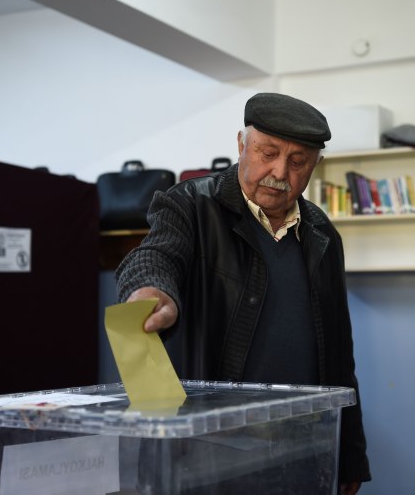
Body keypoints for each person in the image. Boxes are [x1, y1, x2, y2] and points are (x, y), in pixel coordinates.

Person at [115, 92, 371, 494]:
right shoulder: (190, 205)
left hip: (304, 447)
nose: (280, 172)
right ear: (240, 144)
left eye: (298, 161)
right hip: (209, 450)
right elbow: (153, 255)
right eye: (267, 153)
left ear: (315, 167)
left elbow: (340, 352)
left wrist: (351, 453)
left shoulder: (323, 235)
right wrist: (150, 289)